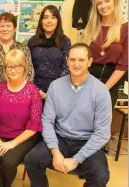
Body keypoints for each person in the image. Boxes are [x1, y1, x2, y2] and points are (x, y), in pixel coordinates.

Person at [24, 43, 111, 187]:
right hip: (60, 139)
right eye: (73, 60)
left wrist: (76, 159)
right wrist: (55, 151)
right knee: (31, 160)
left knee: (101, 176)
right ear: (67, 61)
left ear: (89, 62)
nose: (76, 64)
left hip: (87, 141)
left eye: (81, 60)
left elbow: (102, 134)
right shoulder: (55, 86)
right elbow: (47, 121)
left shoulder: (101, 91)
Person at [0, 49, 42, 187]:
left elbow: (34, 125)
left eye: (17, 66)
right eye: (9, 67)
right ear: (5, 69)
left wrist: (12, 144)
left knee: (8, 162)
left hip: (23, 137)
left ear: (24, 68)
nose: (13, 70)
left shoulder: (33, 91)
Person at [82, 0, 128, 107]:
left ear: (115, 2)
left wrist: (104, 89)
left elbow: (123, 65)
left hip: (111, 81)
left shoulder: (125, 28)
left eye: (107, 1)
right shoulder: (90, 28)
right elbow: (82, 57)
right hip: (88, 79)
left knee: (102, 123)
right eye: (99, 3)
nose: (103, 6)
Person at [28, 5, 71, 100]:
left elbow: (67, 67)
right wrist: (36, 90)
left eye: (53, 17)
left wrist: (53, 91)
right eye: (45, 17)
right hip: (34, 91)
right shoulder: (32, 41)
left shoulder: (64, 41)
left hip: (58, 92)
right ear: (41, 21)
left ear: (58, 21)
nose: (49, 21)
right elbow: (28, 67)